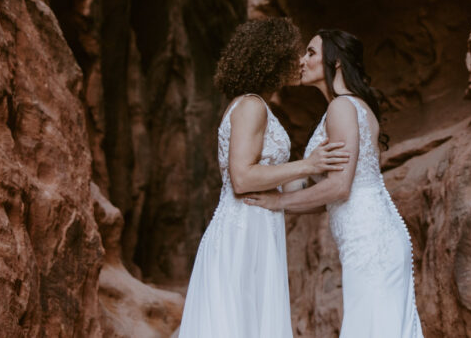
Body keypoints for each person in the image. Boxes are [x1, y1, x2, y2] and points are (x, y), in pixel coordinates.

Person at [177, 19, 350, 338]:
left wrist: (331, 181)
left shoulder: (259, 106)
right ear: (272, 60)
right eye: (292, 55)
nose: (299, 61)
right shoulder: (251, 106)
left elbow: (279, 183)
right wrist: (307, 165)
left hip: (258, 226)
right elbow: (242, 177)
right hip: (243, 231)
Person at [245, 29, 423, 338]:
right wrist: (283, 179)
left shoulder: (342, 107)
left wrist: (278, 203)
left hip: (369, 241)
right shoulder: (347, 107)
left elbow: (340, 187)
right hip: (367, 235)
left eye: (311, 52)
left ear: (335, 62)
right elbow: (327, 195)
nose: (302, 60)